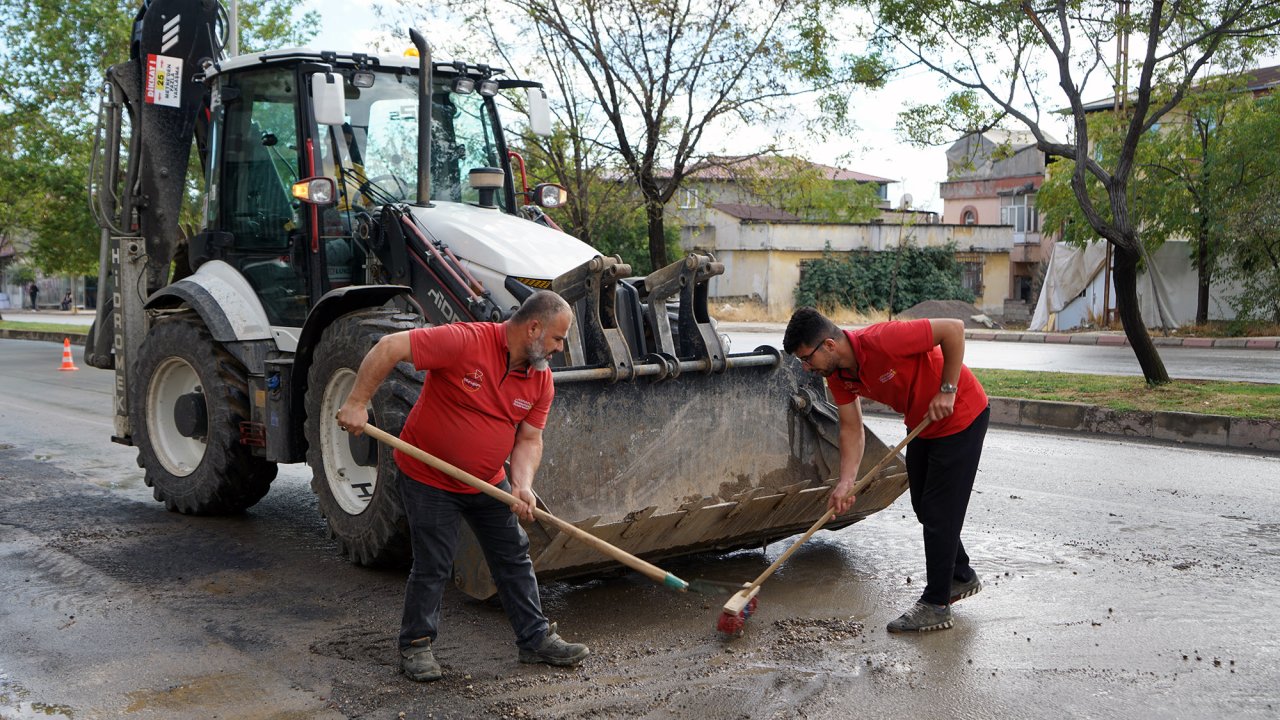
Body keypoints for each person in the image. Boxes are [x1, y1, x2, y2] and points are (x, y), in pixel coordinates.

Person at [336, 291, 590, 681]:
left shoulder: (540, 380)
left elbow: (528, 440)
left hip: (487, 481)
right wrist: (357, 402)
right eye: (557, 338)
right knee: (435, 561)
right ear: (534, 328)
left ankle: (534, 640)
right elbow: (389, 347)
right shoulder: (465, 342)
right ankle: (416, 645)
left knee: (513, 554)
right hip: (429, 475)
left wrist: (521, 485)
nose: (560, 347)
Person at [783, 307, 990, 633]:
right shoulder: (838, 376)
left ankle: (937, 604)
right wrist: (846, 482)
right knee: (923, 505)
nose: (807, 367)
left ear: (829, 346)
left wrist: (947, 390)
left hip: (961, 413)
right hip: (924, 424)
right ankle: (959, 576)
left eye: (808, 359)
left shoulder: (883, 339)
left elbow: (953, 329)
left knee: (939, 512)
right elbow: (851, 429)